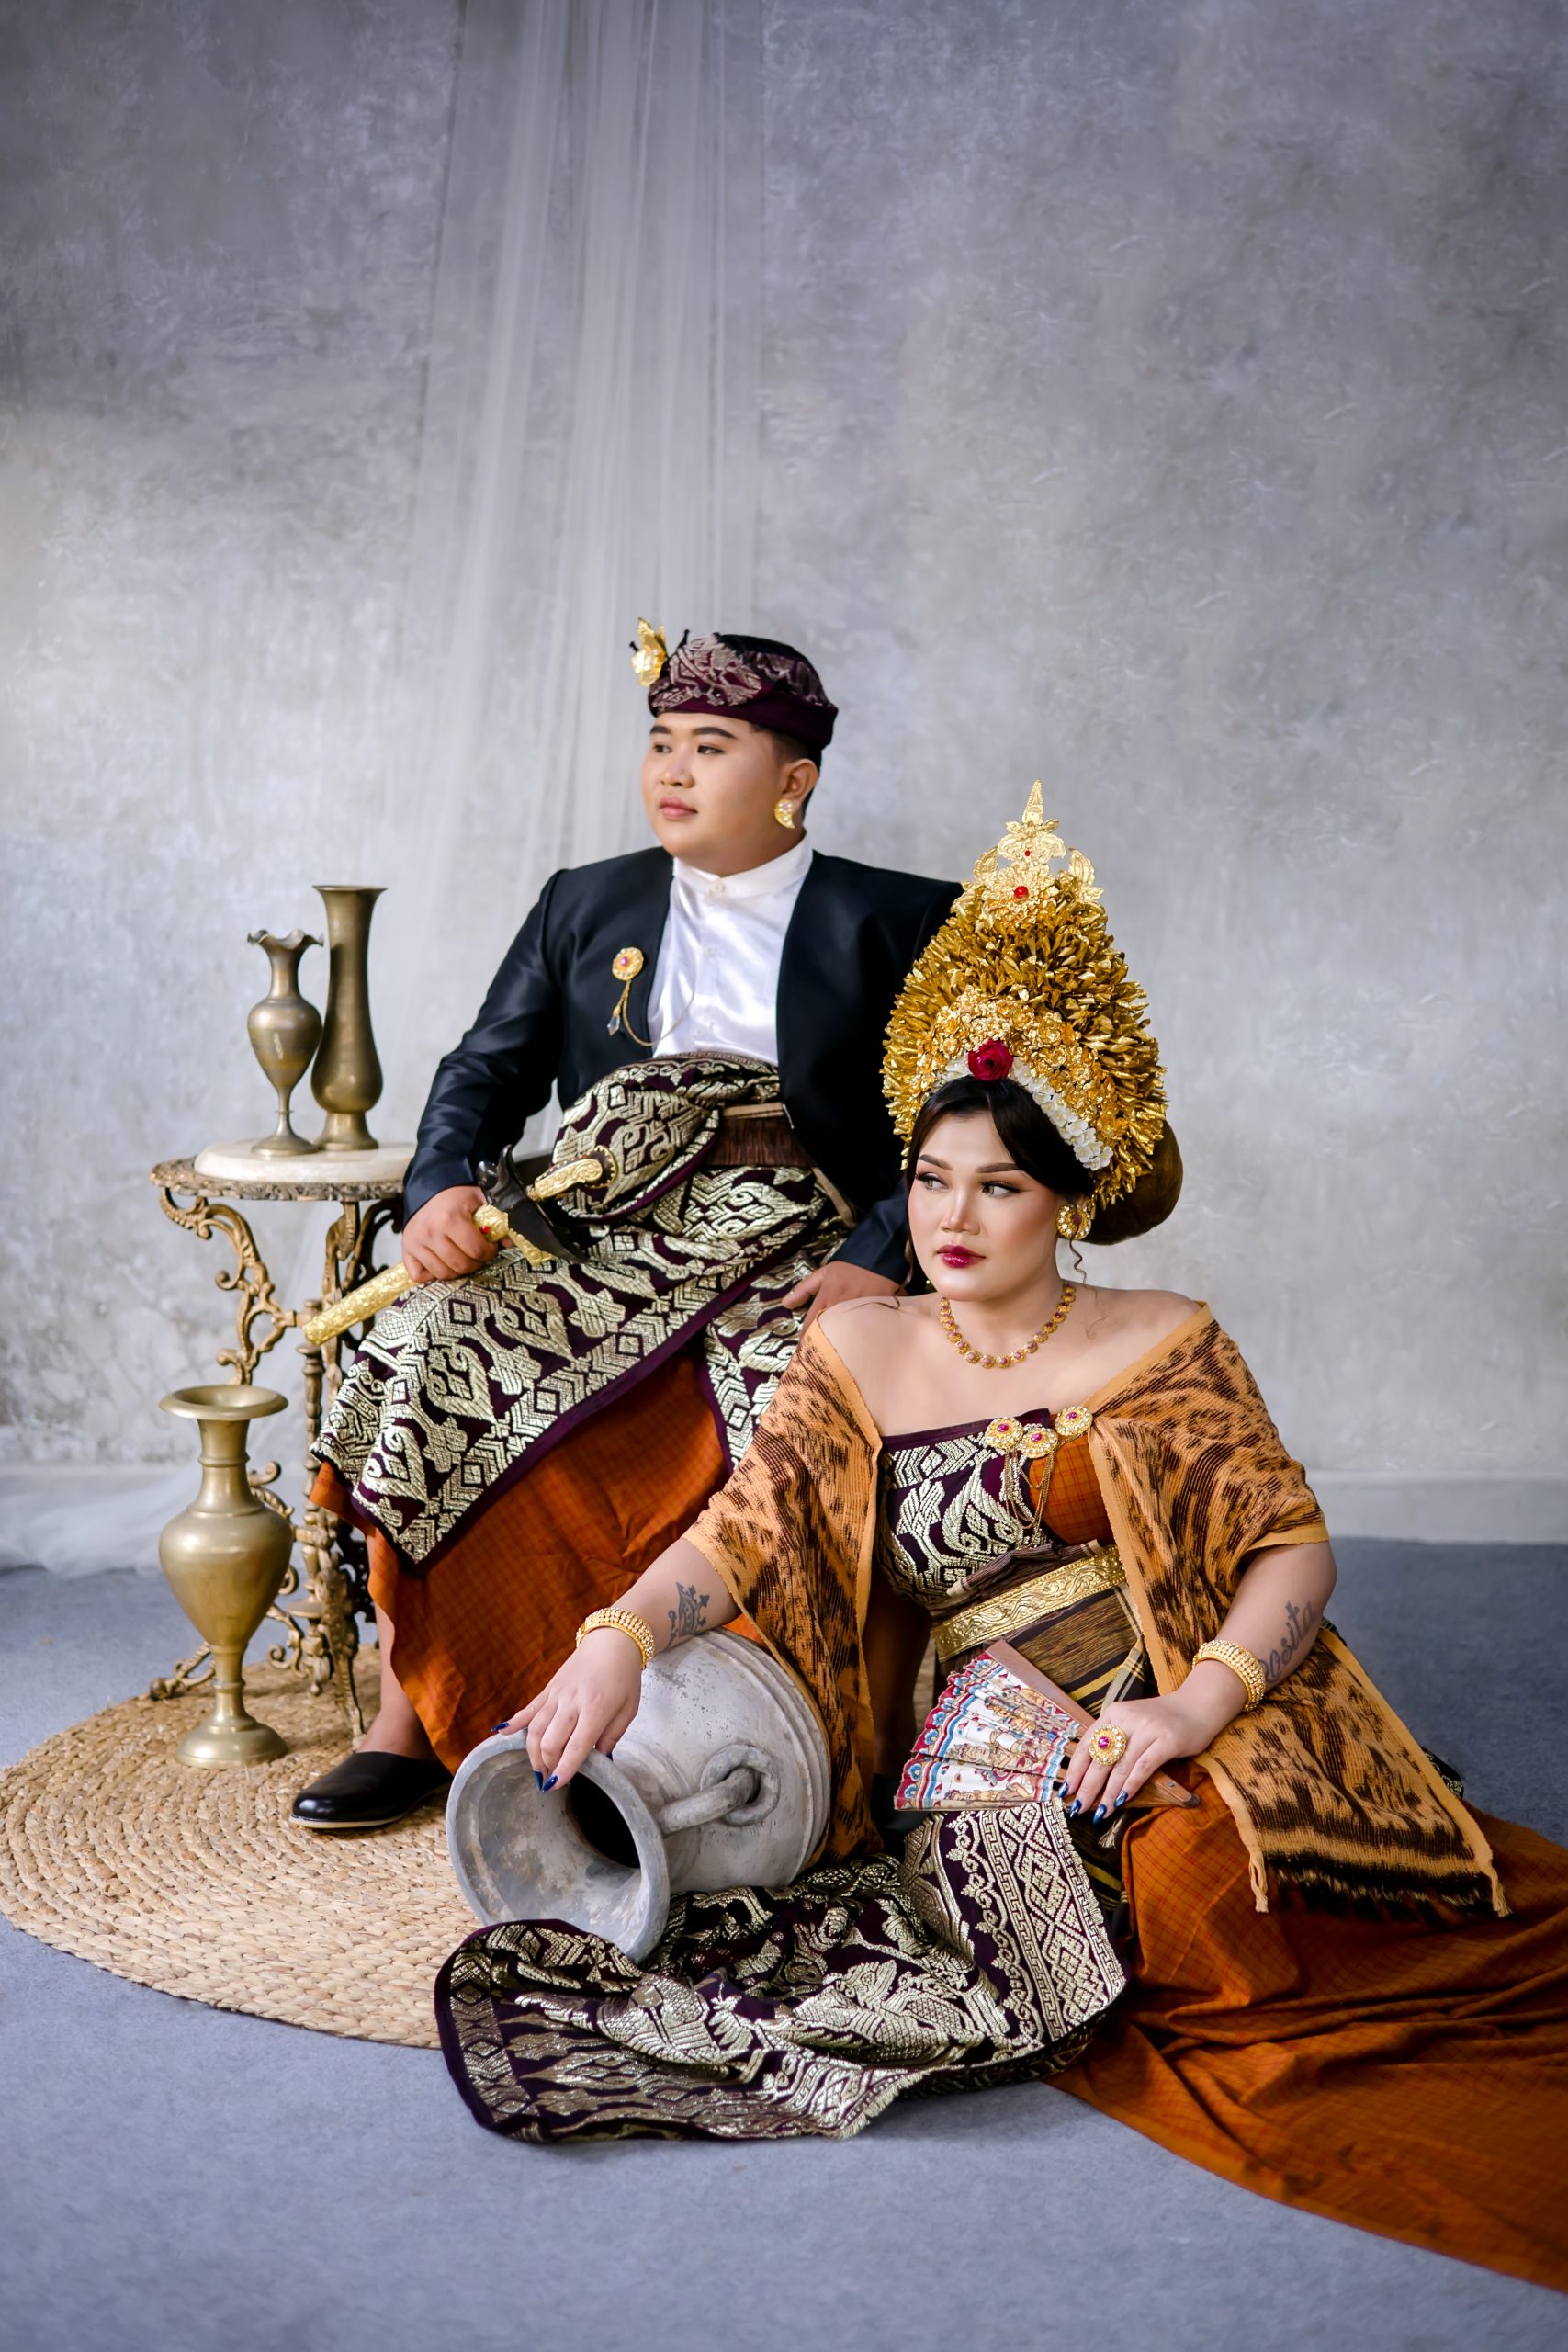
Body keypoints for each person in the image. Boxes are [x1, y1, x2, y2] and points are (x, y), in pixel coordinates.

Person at [438, 787, 1568, 2297]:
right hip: (983, 1737)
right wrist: (618, 1641)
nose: (953, 1218)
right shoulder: (862, 1350)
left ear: (1071, 1202)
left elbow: (1294, 1555)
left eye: (1002, 1187)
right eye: (931, 1178)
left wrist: (1191, 1708)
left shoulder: (1163, 1338)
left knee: (1240, 1875)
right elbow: (743, 1530)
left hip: (1186, 1681)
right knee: (1178, 1917)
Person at [293, 627, 958, 1830]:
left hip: (801, 1229)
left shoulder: (899, 918)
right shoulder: (584, 900)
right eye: (661, 743)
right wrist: (438, 1188)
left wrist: (880, 1258)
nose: (674, 770)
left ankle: (767, 1734)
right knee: (422, 1341)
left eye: (711, 746)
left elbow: (955, 1125)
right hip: (598, 1222)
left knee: (793, 1390)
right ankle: (413, 1713)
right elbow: (483, 1074)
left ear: (794, 779)